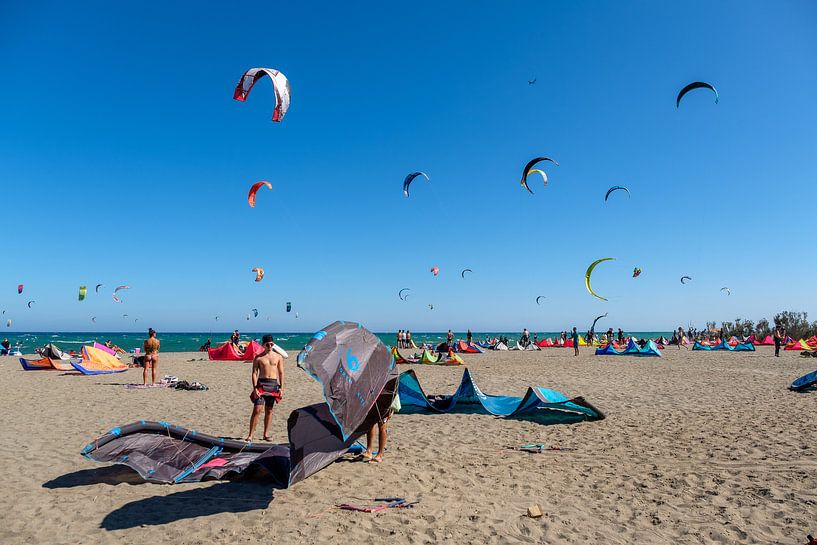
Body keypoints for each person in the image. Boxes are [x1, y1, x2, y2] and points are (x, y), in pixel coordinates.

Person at [246, 334, 285, 442]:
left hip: (273, 384)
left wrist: (281, 388)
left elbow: (281, 373)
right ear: (263, 345)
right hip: (261, 384)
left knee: (269, 410)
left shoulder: (278, 357)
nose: (270, 346)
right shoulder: (258, 358)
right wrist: (255, 388)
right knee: (257, 409)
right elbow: (254, 373)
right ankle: (251, 435)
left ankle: (266, 434)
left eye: (271, 344)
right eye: (267, 344)